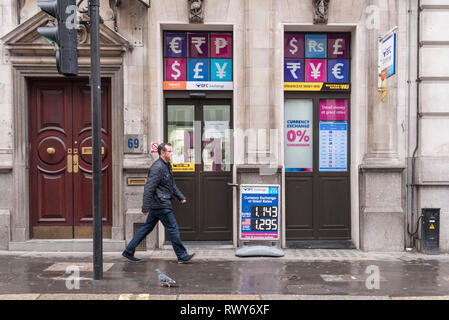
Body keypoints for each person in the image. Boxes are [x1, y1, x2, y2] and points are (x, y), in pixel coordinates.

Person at [122, 142, 195, 264]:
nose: (171, 153)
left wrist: (180, 196)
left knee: (146, 228)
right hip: (161, 204)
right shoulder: (157, 168)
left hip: (159, 204)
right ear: (162, 153)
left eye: (171, 151)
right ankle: (182, 255)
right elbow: (149, 188)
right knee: (173, 228)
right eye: (169, 151)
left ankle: (128, 251)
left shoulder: (167, 165)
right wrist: (145, 207)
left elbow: (171, 184)